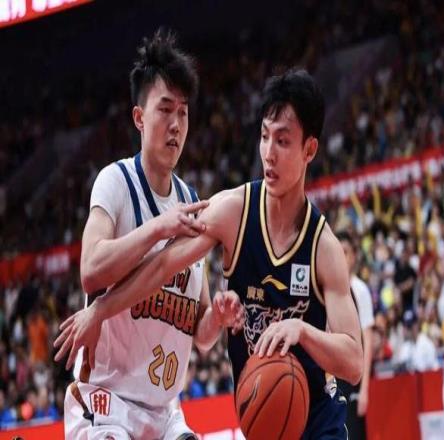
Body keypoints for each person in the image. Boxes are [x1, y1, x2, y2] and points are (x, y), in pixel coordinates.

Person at [56, 69, 363, 439]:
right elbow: (163, 265)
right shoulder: (232, 211)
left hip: (317, 421)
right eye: (264, 136)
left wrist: (302, 331)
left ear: (309, 150)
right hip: (263, 421)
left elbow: (353, 362)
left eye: (283, 141)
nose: (269, 153)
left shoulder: (323, 246)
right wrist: (100, 309)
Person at [58, 29, 244, 440]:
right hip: (106, 403)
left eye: (183, 113)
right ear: (139, 118)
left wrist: (217, 316)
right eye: (165, 110)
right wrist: (160, 226)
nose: (176, 125)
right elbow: (90, 270)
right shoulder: (115, 183)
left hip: (164, 415)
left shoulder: (192, 201)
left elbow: (200, 335)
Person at [338, 232, 374, 440]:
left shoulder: (360, 290)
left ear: (353, 256)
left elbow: (367, 341)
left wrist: (365, 389)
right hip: (333, 377)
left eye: (345, 252)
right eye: (339, 252)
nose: (342, 257)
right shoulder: (327, 288)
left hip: (354, 379)